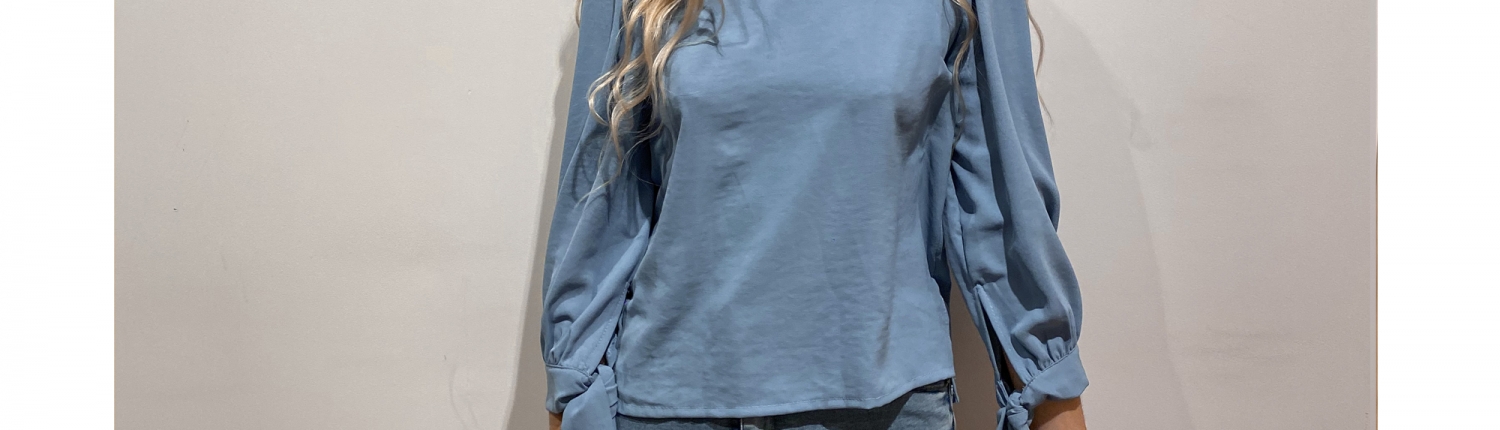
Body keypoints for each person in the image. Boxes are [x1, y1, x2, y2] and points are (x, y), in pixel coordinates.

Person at [538, 0, 1089, 428]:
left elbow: (1003, 204)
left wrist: (1048, 384)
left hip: (884, 403)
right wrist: (571, 386)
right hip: (670, 402)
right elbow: (598, 206)